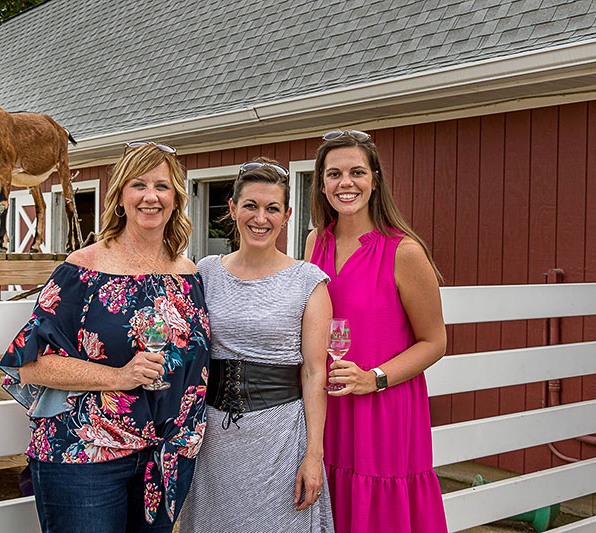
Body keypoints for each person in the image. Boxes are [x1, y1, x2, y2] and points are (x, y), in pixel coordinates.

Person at [0, 141, 210, 533]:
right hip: (85, 457)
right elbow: (28, 365)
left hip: (164, 457)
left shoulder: (188, 273)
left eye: (162, 186)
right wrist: (118, 377)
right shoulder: (83, 269)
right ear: (120, 198)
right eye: (138, 185)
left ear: (177, 198)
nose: (151, 196)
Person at [304, 130, 448, 532]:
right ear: (322, 183)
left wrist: (374, 378)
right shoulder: (315, 242)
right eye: (334, 174)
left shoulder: (404, 251)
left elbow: (435, 342)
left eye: (356, 172)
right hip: (327, 405)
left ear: (375, 179)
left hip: (382, 410)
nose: (345, 183)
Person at [180, 158, 334, 532]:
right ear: (232, 209)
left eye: (272, 209)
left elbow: (314, 373)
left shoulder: (308, 281)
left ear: (287, 216)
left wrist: (313, 456)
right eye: (250, 205)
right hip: (212, 440)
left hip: (279, 438)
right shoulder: (205, 271)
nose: (260, 218)